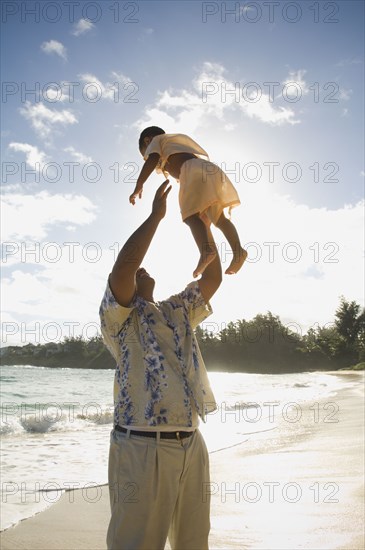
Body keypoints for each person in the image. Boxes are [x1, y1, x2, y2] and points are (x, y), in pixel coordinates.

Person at [100, 181, 221, 550]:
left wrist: (197, 221)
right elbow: (123, 266)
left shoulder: (176, 310)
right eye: (136, 272)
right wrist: (156, 216)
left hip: (191, 442)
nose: (140, 270)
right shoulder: (119, 319)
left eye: (143, 269)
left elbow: (213, 277)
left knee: (193, 543)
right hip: (140, 446)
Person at [129, 126, 247, 278]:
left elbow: (152, 160)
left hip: (192, 171)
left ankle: (206, 251)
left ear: (147, 140)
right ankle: (238, 251)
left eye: (145, 152)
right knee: (218, 218)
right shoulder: (171, 145)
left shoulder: (157, 141)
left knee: (190, 216)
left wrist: (139, 184)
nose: (149, 155)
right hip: (207, 170)